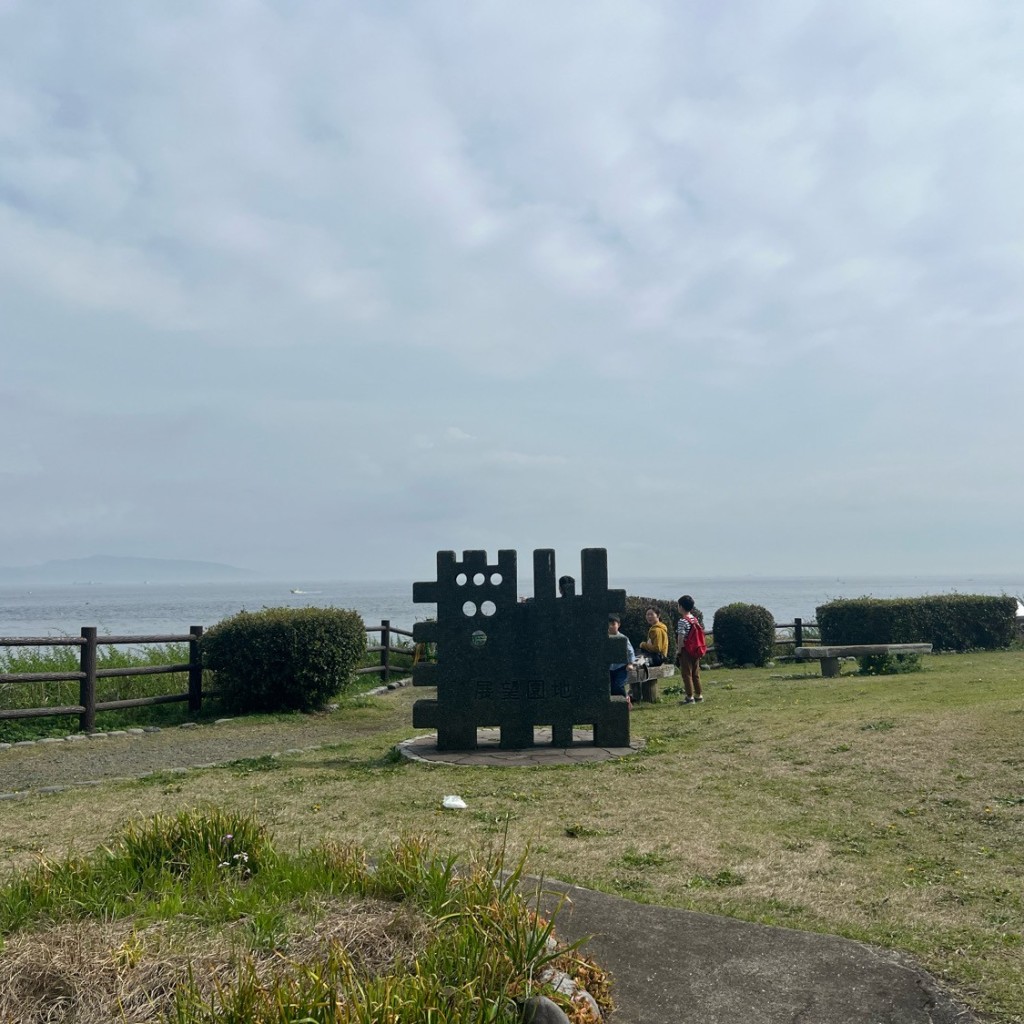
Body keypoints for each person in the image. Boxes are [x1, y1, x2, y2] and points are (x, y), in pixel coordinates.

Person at [675, 595, 704, 704]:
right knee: (695, 673)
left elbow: (681, 636)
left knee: (686, 674)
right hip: (696, 649)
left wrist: (679, 650)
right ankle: (699, 695)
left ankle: (689, 697)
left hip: (686, 650)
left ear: (681, 607)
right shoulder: (694, 619)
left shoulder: (682, 621)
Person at [607, 612, 635, 702]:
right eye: (608, 624)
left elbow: (630, 651)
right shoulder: (604, 638)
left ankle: (626, 700)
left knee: (618, 685)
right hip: (608, 668)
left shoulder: (623, 638)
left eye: (613, 624)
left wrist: (630, 664)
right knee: (609, 687)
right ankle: (614, 705)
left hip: (621, 668)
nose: (610, 626)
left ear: (618, 625)